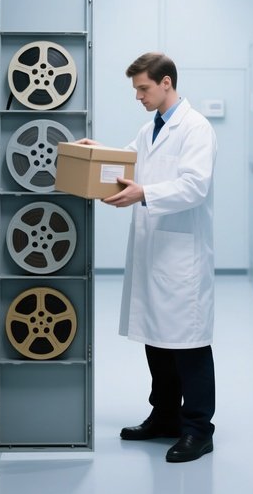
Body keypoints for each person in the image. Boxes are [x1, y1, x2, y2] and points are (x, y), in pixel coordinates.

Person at [80, 52, 218, 463]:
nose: (138, 96)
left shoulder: (196, 128)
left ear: (166, 83)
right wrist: (97, 152)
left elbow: (195, 186)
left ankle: (197, 429)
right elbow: (128, 162)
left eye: (143, 88)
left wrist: (145, 193)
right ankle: (164, 416)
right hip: (153, 251)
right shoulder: (149, 129)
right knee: (157, 342)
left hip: (181, 256)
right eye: (136, 89)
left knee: (188, 345)